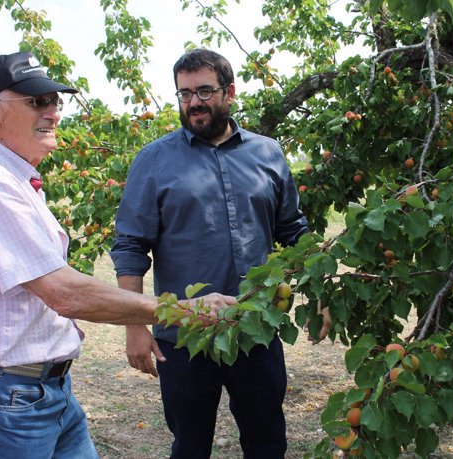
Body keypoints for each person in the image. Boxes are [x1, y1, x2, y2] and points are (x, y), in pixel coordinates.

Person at [0, 51, 236, 459]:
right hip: (4, 399)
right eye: (37, 102)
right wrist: (182, 310)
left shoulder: (15, 179)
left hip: (40, 392)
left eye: (56, 101)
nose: (53, 112)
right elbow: (63, 292)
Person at [110, 48, 330, 458]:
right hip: (184, 334)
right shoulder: (153, 161)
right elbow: (130, 245)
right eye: (184, 93)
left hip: (256, 329)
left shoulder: (268, 153)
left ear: (229, 92)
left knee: (267, 442)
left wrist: (318, 297)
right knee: (190, 446)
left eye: (204, 91)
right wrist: (135, 324)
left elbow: (294, 230)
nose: (193, 102)